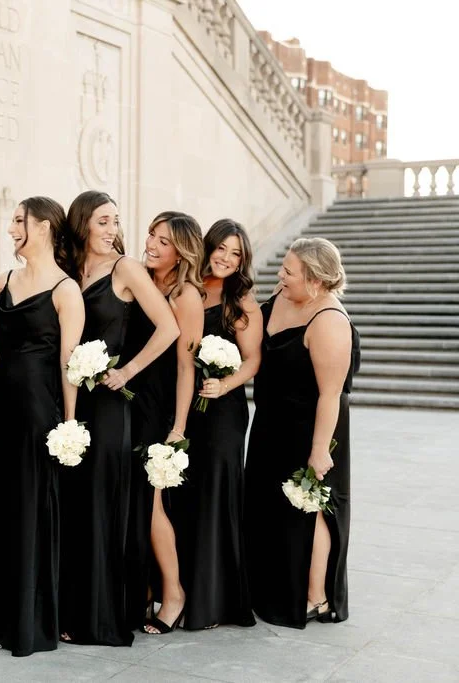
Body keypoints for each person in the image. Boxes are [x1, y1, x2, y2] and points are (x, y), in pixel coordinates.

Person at [58, 191, 179, 646]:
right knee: (74, 506)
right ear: (83, 224)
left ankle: (102, 616)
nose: (112, 230)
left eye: (115, 221)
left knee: (103, 503)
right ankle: (72, 609)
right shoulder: (69, 270)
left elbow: (169, 328)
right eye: (103, 221)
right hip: (72, 400)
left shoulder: (125, 269)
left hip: (110, 403)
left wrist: (126, 369)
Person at [0, 196, 84, 656]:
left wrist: (68, 423)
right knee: (3, 506)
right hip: (1, 407)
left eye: (18, 221)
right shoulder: (3, 280)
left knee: (32, 508)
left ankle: (32, 622)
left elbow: (70, 364)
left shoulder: (67, 290)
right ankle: (1, 616)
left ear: (43, 227)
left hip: (40, 410)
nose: (10, 229)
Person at [246, 237, 359, 628]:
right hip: (270, 425)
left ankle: (315, 597)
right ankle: (268, 588)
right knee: (270, 509)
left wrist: (318, 451)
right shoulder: (283, 296)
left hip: (312, 431)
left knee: (310, 508)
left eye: (289, 271)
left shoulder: (328, 320)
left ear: (314, 280)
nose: (281, 275)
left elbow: (331, 395)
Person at [173, 219, 259, 630]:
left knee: (216, 495)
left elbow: (254, 359)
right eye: (221, 248)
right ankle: (184, 590)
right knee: (186, 497)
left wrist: (225, 384)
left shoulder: (241, 300)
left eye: (236, 252)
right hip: (188, 406)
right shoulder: (186, 288)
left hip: (223, 411)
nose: (226, 258)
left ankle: (216, 602)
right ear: (207, 248)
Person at [122, 211, 205, 635]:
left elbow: (187, 368)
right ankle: (143, 590)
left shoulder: (186, 295)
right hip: (127, 403)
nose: (152, 244)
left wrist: (178, 427)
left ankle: (174, 594)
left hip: (157, 406)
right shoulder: (140, 279)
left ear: (182, 252)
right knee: (132, 502)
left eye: (164, 241)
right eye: (152, 235)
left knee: (151, 505)